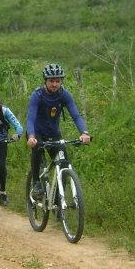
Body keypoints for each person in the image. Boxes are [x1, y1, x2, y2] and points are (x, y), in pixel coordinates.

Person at [25, 63, 92, 198]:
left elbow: (76, 116)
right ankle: (36, 182)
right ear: (45, 81)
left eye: (58, 81)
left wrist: (84, 132)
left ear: (61, 81)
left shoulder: (64, 95)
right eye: (51, 81)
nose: (55, 84)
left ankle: (57, 201)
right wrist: (31, 136)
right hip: (36, 133)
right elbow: (30, 118)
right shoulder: (37, 95)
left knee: (64, 165)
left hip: (54, 134)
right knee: (37, 150)